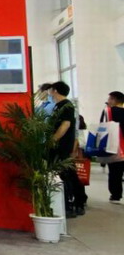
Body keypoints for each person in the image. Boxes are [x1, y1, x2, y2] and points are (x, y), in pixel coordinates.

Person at [48, 81, 85, 217]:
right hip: (60, 145)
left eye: (51, 90)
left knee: (66, 174)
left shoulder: (66, 106)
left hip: (62, 146)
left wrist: (53, 139)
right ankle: (77, 202)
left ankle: (73, 203)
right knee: (68, 173)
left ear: (55, 90)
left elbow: (65, 125)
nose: (50, 93)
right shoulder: (59, 106)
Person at [102, 91, 124, 203]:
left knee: (115, 172)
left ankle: (116, 195)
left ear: (114, 99)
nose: (108, 101)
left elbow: (102, 127)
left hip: (114, 146)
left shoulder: (108, 111)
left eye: (109, 99)